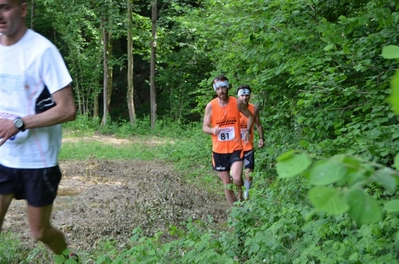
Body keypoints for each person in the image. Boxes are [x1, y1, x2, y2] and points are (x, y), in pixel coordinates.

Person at [0, 0, 79, 261]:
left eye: (5, 7)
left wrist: (19, 123)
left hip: (38, 162)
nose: (0, 15)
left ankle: (69, 259)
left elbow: (67, 109)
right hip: (3, 158)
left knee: (39, 231)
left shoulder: (43, 51)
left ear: (22, 9)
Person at [202, 75, 254, 206]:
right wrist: (213, 130)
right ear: (215, 90)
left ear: (227, 87)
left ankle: (241, 196)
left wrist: (247, 130)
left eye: (223, 87)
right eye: (218, 88)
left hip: (235, 148)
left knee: (237, 178)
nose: (221, 91)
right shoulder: (211, 106)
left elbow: (250, 116)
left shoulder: (236, 103)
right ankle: (236, 213)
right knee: (227, 185)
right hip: (219, 151)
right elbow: (204, 127)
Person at [237, 85, 264, 200]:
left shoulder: (253, 109)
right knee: (236, 175)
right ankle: (239, 194)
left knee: (249, 172)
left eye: (247, 95)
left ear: (250, 96)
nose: (244, 97)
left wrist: (261, 138)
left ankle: (246, 195)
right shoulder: (233, 108)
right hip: (235, 147)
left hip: (248, 146)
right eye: (242, 95)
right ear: (238, 96)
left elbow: (258, 124)